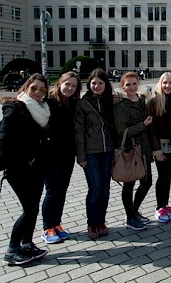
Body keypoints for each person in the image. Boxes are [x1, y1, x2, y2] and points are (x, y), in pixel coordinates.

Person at [0, 74, 51, 265]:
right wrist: (20, 160)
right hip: (18, 169)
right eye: (34, 88)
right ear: (26, 87)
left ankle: (27, 244)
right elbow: (6, 141)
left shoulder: (43, 109)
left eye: (42, 90)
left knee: (33, 208)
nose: (38, 92)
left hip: (36, 167)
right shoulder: (16, 107)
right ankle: (11, 250)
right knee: (29, 210)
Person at [75, 68, 117, 239]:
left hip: (108, 151)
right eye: (94, 83)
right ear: (89, 84)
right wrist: (81, 155)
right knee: (95, 188)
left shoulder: (111, 101)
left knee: (105, 189)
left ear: (105, 85)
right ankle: (92, 224)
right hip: (91, 152)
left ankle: (101, 221)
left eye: (100, 83)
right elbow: (79, 131)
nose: (97, 86)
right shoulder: (83, 103)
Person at [41, 72, 81, 244]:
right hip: (51, 155)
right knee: (52, 191)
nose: (70, 88)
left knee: (62, 190)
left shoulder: (72, 103)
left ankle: (56, 224)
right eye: (67, 84)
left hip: (67, 154)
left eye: (73, 86)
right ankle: (47, 228)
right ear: (59, 84)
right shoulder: (48, 102)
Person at [114, 72, 154, 231]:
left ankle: (134, 211)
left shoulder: (143, 101)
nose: (132, 87)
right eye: (128, 84)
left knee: (146, 182)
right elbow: (122, 131)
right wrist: (143, 124)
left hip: (144, 149)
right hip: (131, 150)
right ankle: (130, 217)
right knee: (129, 184)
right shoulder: (121, 106)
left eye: (134, 83)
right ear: (123, 86)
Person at [147, 72, 171, 223]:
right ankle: (159, 206)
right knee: (162, 176)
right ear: (160, 84)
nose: (167, 86)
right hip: (160, 146)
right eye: (165, 83)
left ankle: (165, 204)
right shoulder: (153, 102)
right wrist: (156, 151)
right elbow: (151, 129)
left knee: (168, 176)